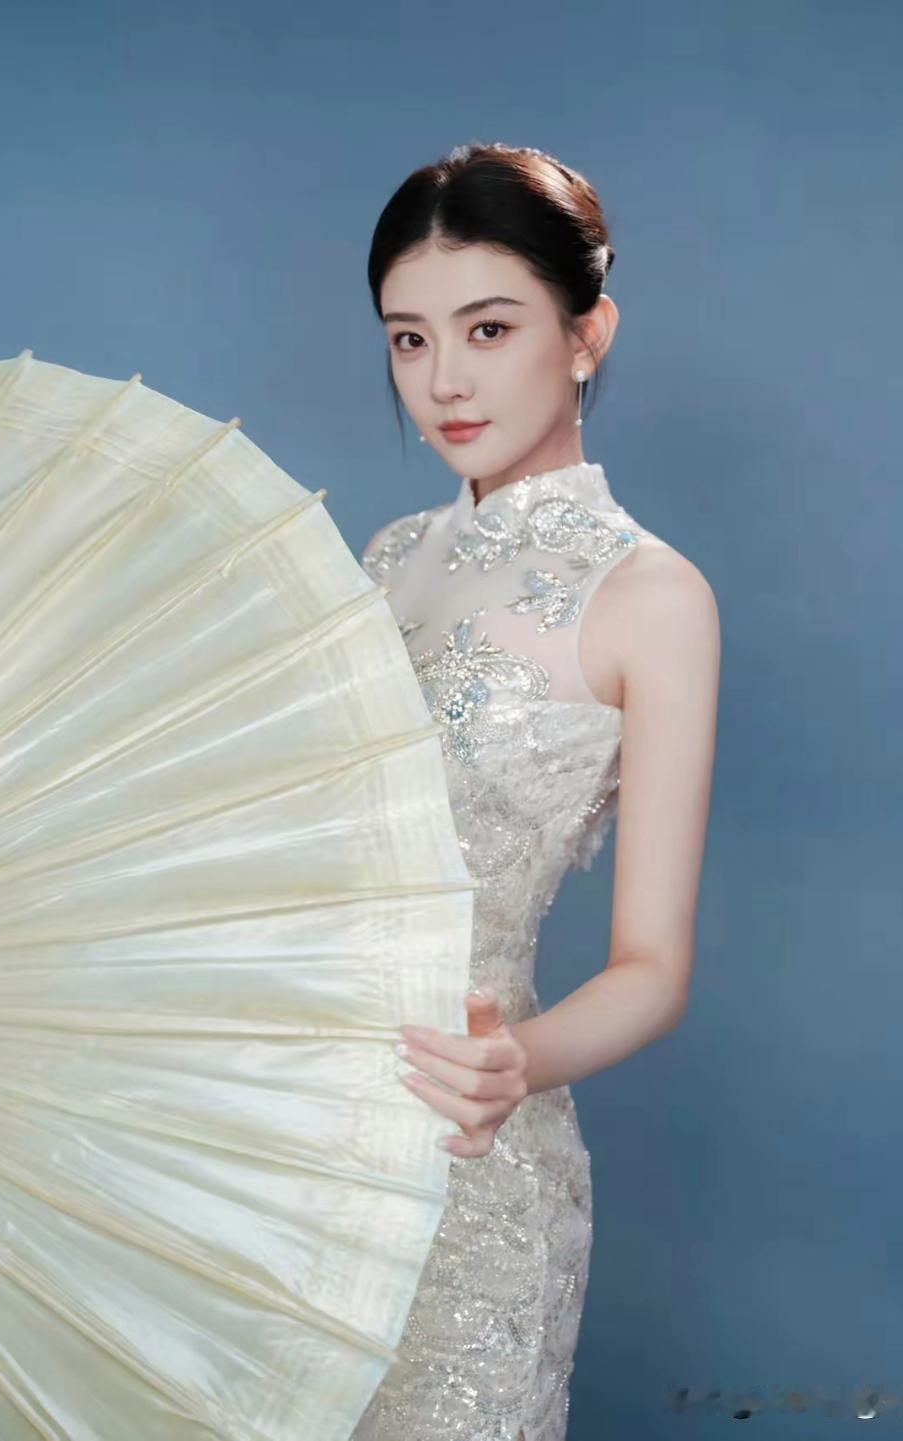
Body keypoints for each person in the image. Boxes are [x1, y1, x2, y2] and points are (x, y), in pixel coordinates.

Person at [352, 142, 720, 1441]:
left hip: (476, 1155)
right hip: (308, 1141)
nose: (443, 380)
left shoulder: (652, 596)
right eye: (408, 339)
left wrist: (519, 1060)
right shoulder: (386, 559)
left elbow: (652, 969)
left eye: (489, 328)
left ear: (587, 333)